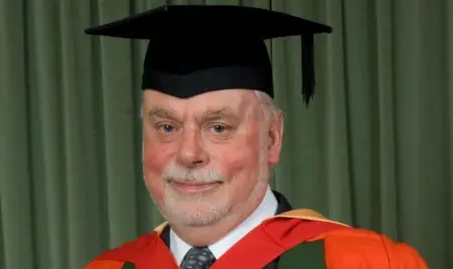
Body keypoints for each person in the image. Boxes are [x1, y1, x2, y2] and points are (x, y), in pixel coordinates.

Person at [82, 4, 428, 269]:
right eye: (167, 127)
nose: (188, 154)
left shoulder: (364, 262)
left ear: (272, 138)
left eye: (218, 127)